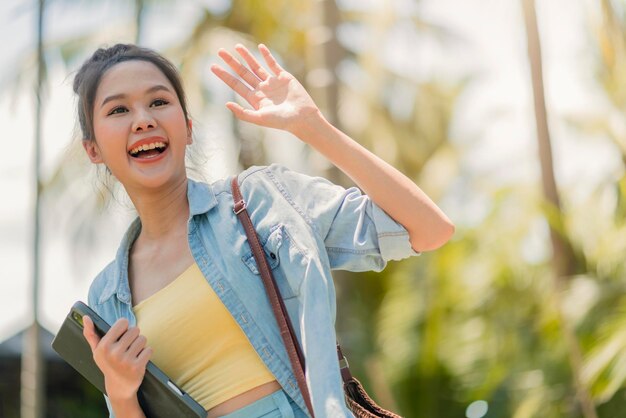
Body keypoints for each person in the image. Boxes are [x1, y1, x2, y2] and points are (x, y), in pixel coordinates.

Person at [75, 42, 454, 418]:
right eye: (119, 109)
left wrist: (312, 128)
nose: (143, 119)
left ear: (188, 128)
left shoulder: (262, 201)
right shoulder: (108, 297)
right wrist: (122, 396)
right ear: (93, 150)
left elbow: (428, 228)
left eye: (158, 102)